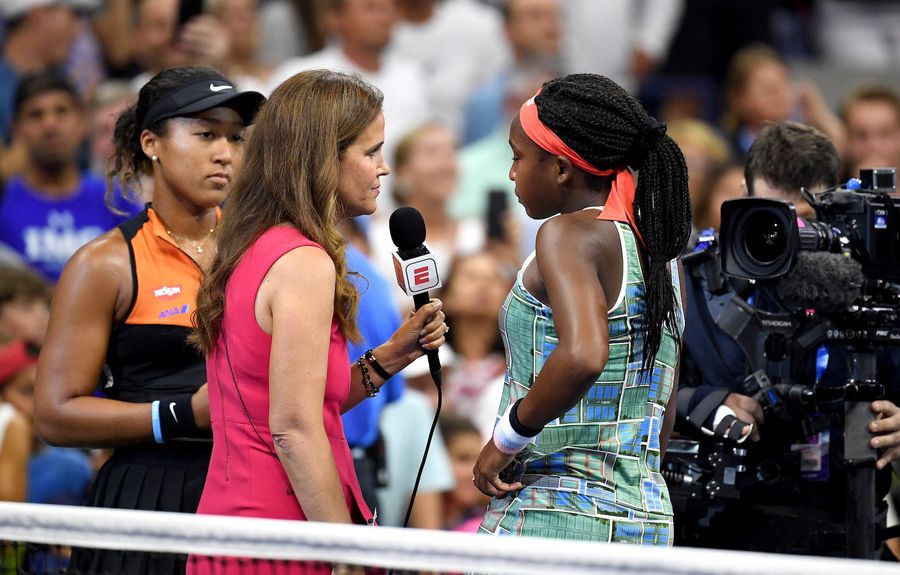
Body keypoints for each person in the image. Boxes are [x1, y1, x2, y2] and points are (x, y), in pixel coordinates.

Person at [189, 69, 447, 573]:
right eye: (370, 152)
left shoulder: (253, 245)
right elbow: (292, 428)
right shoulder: (305, 262)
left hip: (242, 526)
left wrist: (395, 354)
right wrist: (343, 552)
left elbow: (294, 406)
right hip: (285, 536)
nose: (385, 167)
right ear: (322, 160)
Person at [33, 66, 265, 575]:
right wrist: (183, 414)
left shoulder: (264, 252)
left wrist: (382, 363)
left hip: (252, 491)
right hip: (146, 498)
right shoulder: (103, 264)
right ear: (152, 143)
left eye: (235, 137)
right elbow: (53, 414)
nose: (225, 152)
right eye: (206, 134)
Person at [472, 73, 690, 545]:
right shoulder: (662, 253)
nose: (511, 173)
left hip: (555, 517)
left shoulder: (567, 234)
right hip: (647, 520)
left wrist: (504, 441)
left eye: (518, 157)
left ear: (561, 169)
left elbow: (584, 354)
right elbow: (664, 405)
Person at [675, 121, 900, 556]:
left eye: (806, 221)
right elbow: (639, 392)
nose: (791, 239)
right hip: (718, 531)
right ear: (742, 192)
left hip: (843, 527)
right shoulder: (691, 281)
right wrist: (702, 402)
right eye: (772, 219)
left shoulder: (872, 286)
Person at [0, 71, 138, 283]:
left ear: (82, 123)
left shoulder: (117, 201)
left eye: (61, 111)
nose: (50, 125)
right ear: (16, 130)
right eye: (35, 115)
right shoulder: (3, 202)